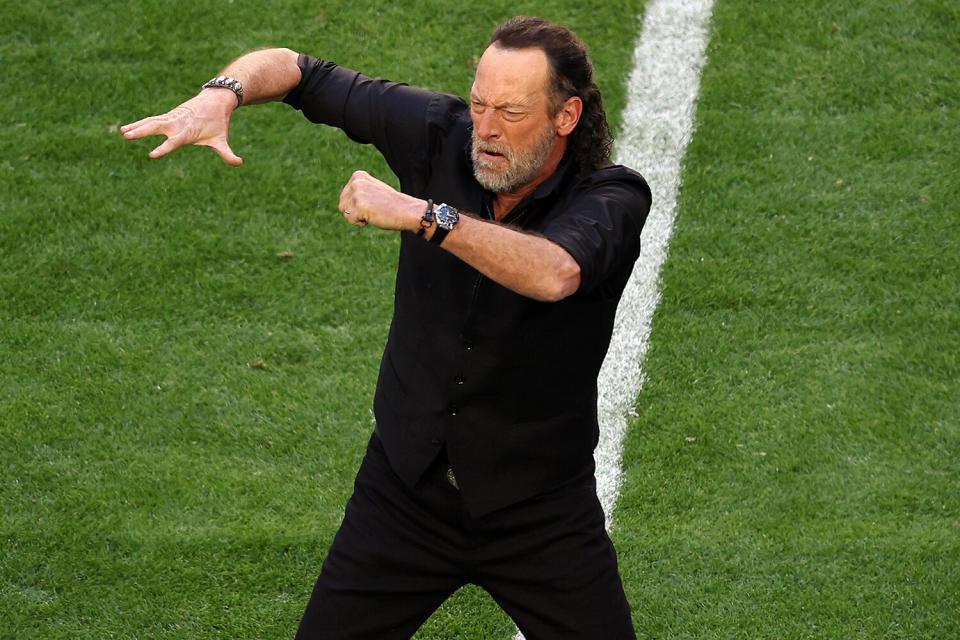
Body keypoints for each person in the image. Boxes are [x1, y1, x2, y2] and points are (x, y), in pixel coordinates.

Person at [123, 15, 650, 639]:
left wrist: (428, 216)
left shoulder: (612, 198)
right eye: (479, 103)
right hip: (404, 494)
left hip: (539, 511)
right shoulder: (437, 130)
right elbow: (298, 71)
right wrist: (223, 91)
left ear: (565, 116)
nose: (484, 129)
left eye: (510, 112)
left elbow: (555, 272)